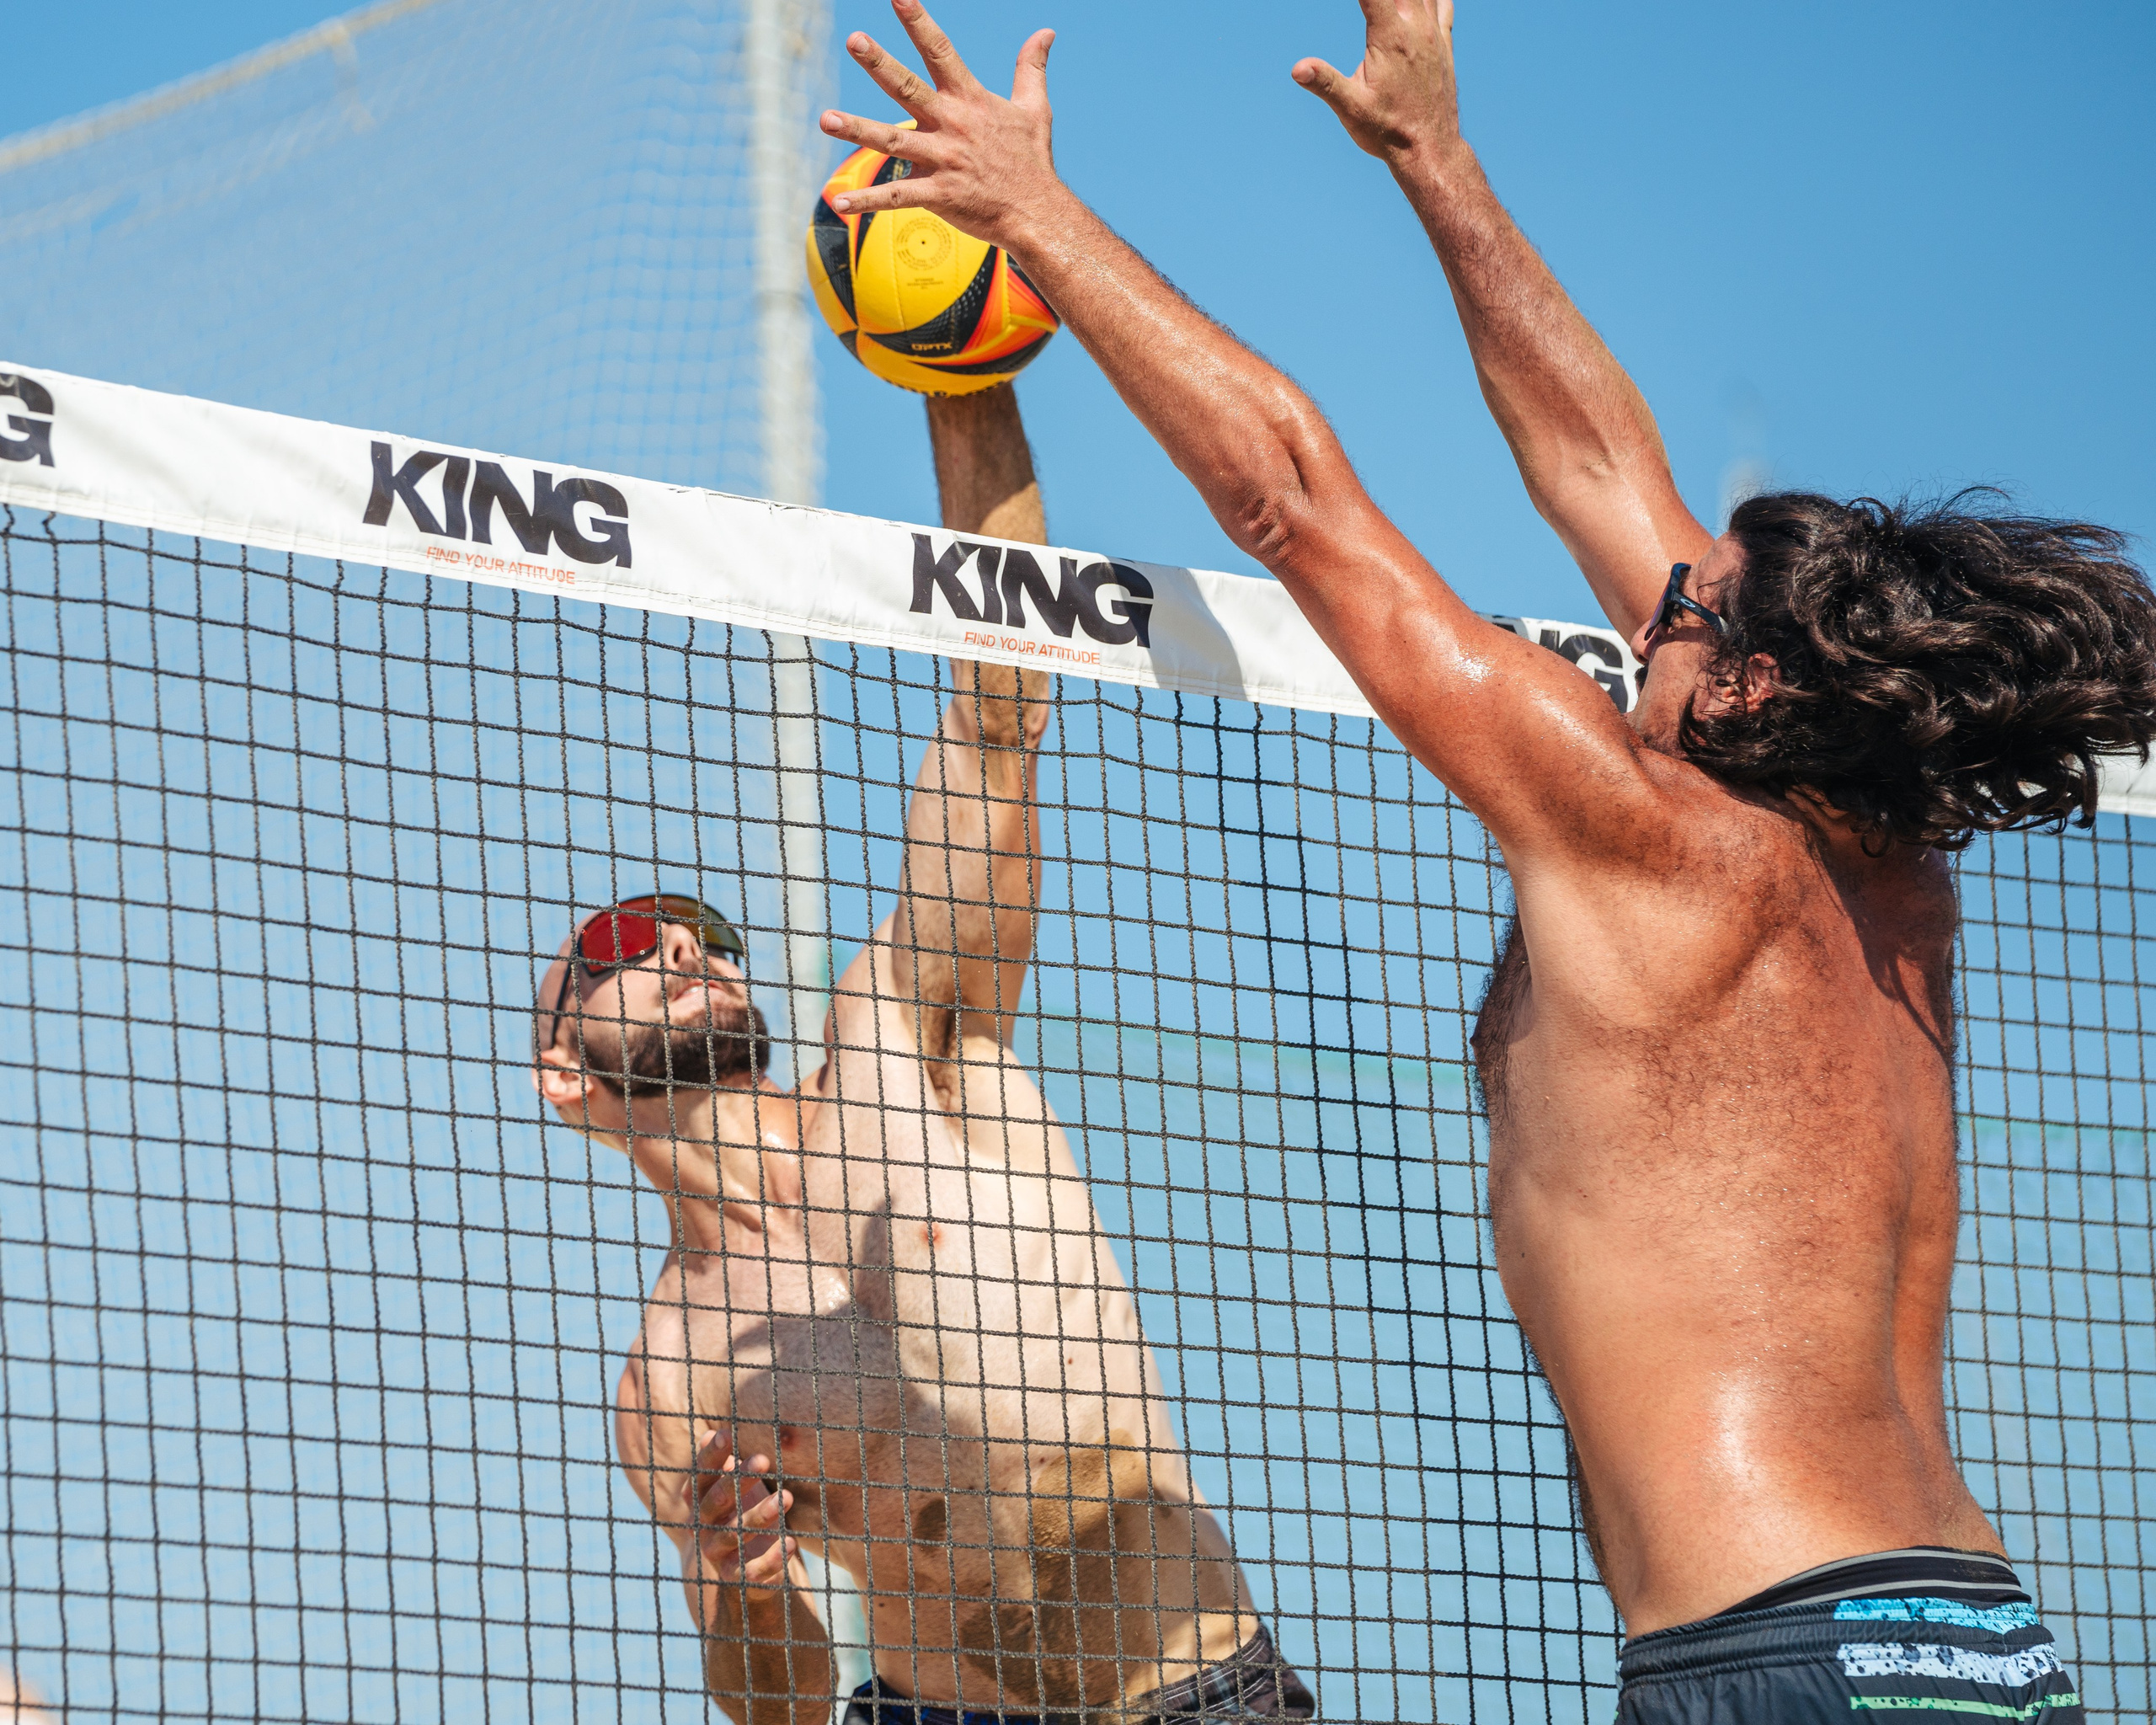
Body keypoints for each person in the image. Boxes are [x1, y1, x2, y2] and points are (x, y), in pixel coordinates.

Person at [815, 6, 2156, 1719]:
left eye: (1682, 610)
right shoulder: (1891, 859)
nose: (1648, 604)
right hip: (1983, 1641)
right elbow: (1602, 465)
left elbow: (1292, 500)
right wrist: (1431, 158)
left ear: (1746, 682)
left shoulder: (1653, 840)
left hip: (1779, 1656)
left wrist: (1037, 218)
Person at [532, 384, 1315, 1725]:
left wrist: (969, 380)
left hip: (1197, 1692)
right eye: (617, 944)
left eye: (703, 933)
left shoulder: (903, 1033)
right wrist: (744, 1579)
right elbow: (770, 1702)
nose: (677, 948)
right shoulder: (669, 1378)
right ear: (567, 1079)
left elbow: (996, 721)